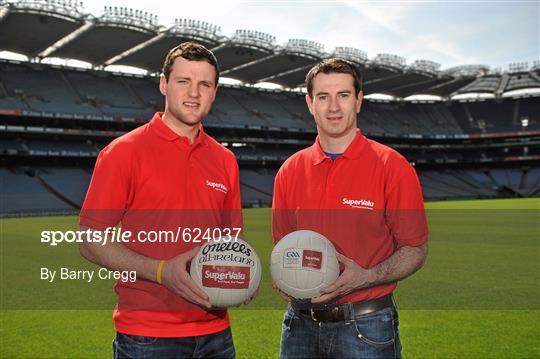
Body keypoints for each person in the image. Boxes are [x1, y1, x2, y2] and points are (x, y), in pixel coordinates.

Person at [79, 42, 244, 358]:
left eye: (204, 84)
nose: (193, 93)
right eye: (184, 81)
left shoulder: (225, 160)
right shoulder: (123, 152)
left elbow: (231, 242)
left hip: (216, 334)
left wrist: (240, 275)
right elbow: (90, 241)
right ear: (164, 84)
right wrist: (160, 271)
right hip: (147, 336)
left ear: (214, 92)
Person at [272, 58, 428, 359]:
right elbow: (283, 247)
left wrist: (366, 277)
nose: (333, 107)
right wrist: (285, 280)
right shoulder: (289, 171)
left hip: (366, 326)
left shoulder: (392, 166)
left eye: (343, 95)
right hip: (299, 326)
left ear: (358, 101)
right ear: (309, 103)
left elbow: (415, 249)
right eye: (323, 97)